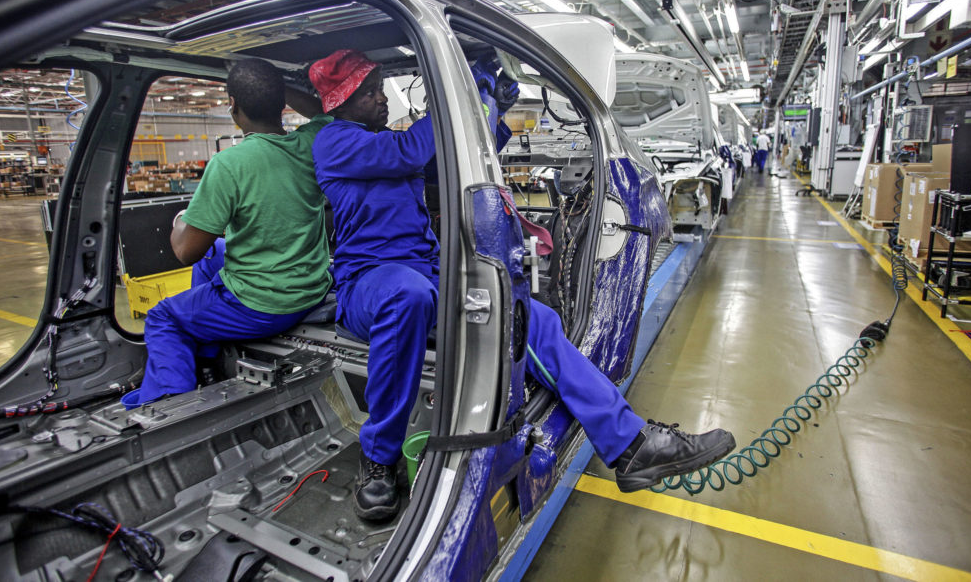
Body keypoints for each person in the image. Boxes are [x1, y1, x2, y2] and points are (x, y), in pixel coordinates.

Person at [307, 49, 735, 521]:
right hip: (369, 281)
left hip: (425, 273)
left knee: (528, 315)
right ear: (340, 103)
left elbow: (458, 156)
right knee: (406, 295)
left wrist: (493, 108)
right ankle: (380, 457)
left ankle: (630, 443)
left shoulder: (389, 142)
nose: (380, 97)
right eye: (369, 92)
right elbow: (414, 150)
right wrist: (465, 95)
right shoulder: (335, 142)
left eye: (379, 85)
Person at [124, 59, 333, 408]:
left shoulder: (229, 164)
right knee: (213, 254)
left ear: (232, 104)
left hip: (264, 304)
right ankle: (206, 356)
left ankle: (169, 404)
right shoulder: (309, 143)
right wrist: (280, 89)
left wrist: (180, 222)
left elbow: (185, 251)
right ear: (282, 103)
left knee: (163, 317)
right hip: (311, 285)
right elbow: (327, 111)